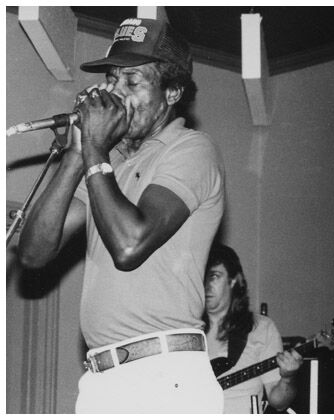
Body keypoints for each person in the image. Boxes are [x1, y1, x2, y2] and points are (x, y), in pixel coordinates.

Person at [17, 18, 225, 413]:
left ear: (172, 92)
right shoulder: (104, 164)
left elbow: (129, 245)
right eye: (112, 79)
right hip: (102, 377)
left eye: (133, 81)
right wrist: (77, 153)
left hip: (166, 376)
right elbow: (33, 253)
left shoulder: (191, 149)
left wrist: (95, 151)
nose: (116, 92)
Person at [204, 243, 303, 413]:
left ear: (233, 280)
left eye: (215, 276)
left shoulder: (262, 328)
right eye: (203, 277)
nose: (207, 285)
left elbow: (279, 402)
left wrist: (288, 378)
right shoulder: (184, 329)